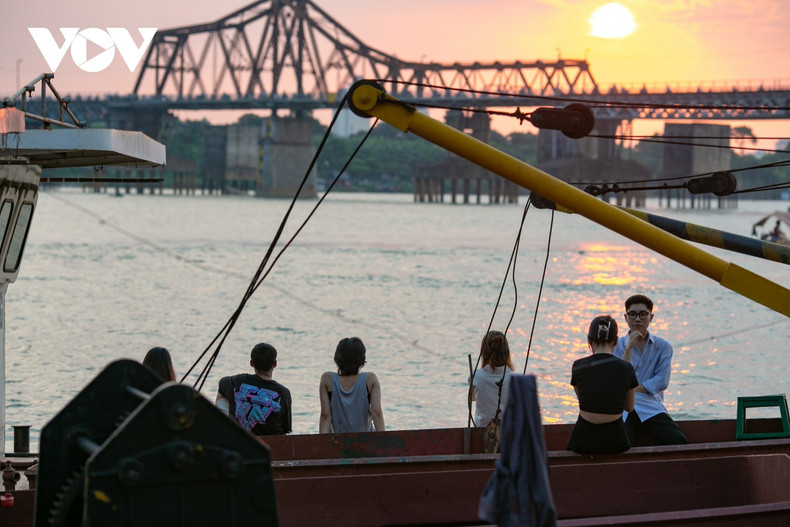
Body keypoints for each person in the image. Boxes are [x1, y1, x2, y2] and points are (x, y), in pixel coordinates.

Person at [613, 294, 688, 446]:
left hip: (650, 406)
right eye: (632, 314)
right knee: (622, 447)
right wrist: (629, 347)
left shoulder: (663, 346)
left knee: (678, 441)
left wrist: (630, 390)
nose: (637, 319)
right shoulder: (617, 346)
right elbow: (617, 380)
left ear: (651, 317)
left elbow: (661, 381)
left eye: (643, 314)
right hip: (623, 409)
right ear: (625, 317)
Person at [566, 315, 638, 455]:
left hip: (583, 439)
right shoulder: (626, 368)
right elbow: (629, 408)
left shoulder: (578, 366)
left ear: (589, 340)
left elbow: (584, 401)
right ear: (616, 341)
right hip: (615, 439)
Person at [216, 342, 292, 436]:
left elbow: (221, 382)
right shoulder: (283, 393)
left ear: (251, 363)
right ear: (275, 364)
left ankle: (223, 429)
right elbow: (285, 431)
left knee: (224, 392)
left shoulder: (237, 381)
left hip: (241, 442)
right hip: (270, 447)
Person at [319, 337, 385, 433]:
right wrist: (384, 442)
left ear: (337, 359)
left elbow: (325, 416)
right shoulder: (370, 380)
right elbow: (377, 413)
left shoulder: (327, 380)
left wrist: (322, 445)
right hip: (366, 441)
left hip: (337, 442)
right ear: (362, 360)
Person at [469, 330, 514, 428]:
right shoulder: (516, 380)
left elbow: (473, 398)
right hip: (509, 434)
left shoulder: (476, 377)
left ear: (483, 353)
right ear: (507, 353)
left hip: (481, 434)